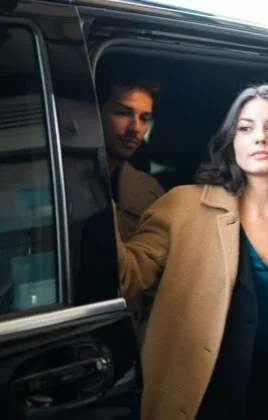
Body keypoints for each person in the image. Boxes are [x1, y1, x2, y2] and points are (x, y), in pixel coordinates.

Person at [114, 84, 268, 420]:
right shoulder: (183, 205)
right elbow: (126, 277)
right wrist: (91, 189)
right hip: (201, 405)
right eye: (246, 128)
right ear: (232, 142)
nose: (259, 138)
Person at [98, 72, 165, 344]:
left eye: (144, 118)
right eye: (123, 113)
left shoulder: (152, 193)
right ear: (96, 111)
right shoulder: (57, 178)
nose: (135, 129)